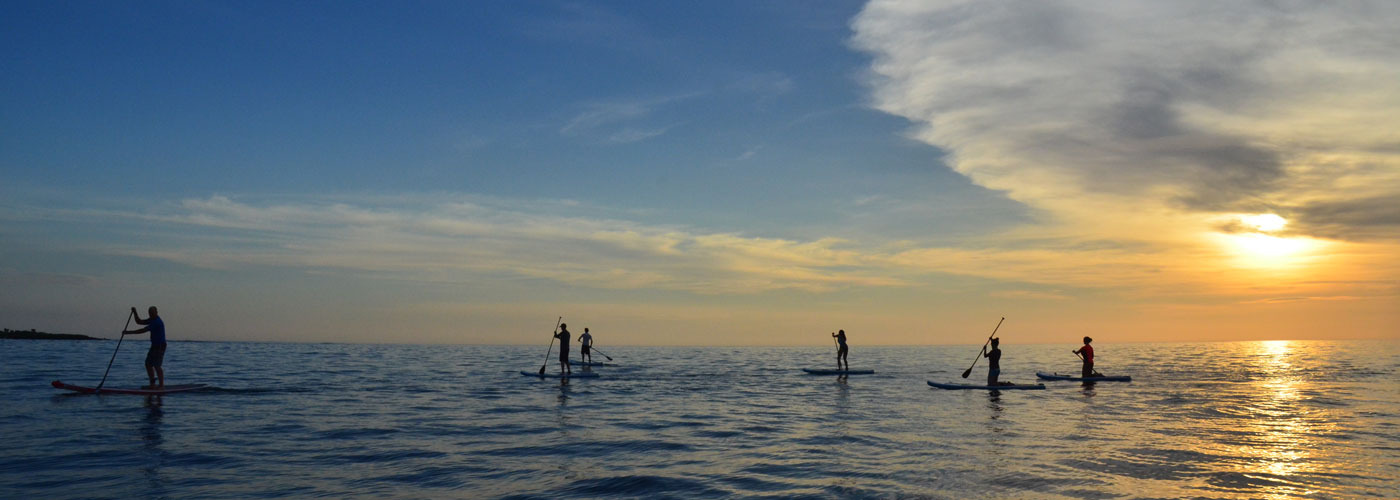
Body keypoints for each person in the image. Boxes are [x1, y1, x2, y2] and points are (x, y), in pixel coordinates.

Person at [122, 306, 167, 388]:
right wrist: (135, 312)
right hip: (154, 346)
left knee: (157, 366)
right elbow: (139, 321)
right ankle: (152, 384)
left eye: (152, 313)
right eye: (150, 313)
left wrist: (128, 332)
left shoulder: (157, 322)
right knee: (148, 364)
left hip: (160, 346)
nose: (151, 315)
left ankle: (161, 386)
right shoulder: (151, 319)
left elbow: (143, 330)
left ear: (156, 313)